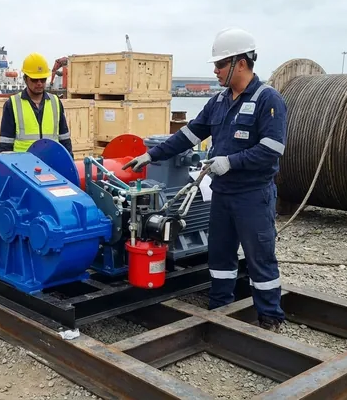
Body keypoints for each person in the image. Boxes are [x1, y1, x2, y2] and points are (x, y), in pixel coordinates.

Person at [122, 28, 288, 332]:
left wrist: (231, 161)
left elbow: (272, 149)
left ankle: (270, 319)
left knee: (259, 258)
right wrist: (152, 155)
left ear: (241, 63)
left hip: (252, 195)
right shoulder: (219, 101)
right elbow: (190, 134)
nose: (215, 70)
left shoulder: (268, 100)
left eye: (220, 64)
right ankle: (220, 311)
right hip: (222, 194)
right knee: (220, 256)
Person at [0, 52, 73, 154]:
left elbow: (65, 139)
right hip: (23, 166)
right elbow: (5, 145)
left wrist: (68, 165)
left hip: (51, 164)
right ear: (25, 79)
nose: (39, 83)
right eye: (34, 79)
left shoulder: (55, 102)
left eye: (43, 79)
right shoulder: (12, 104)